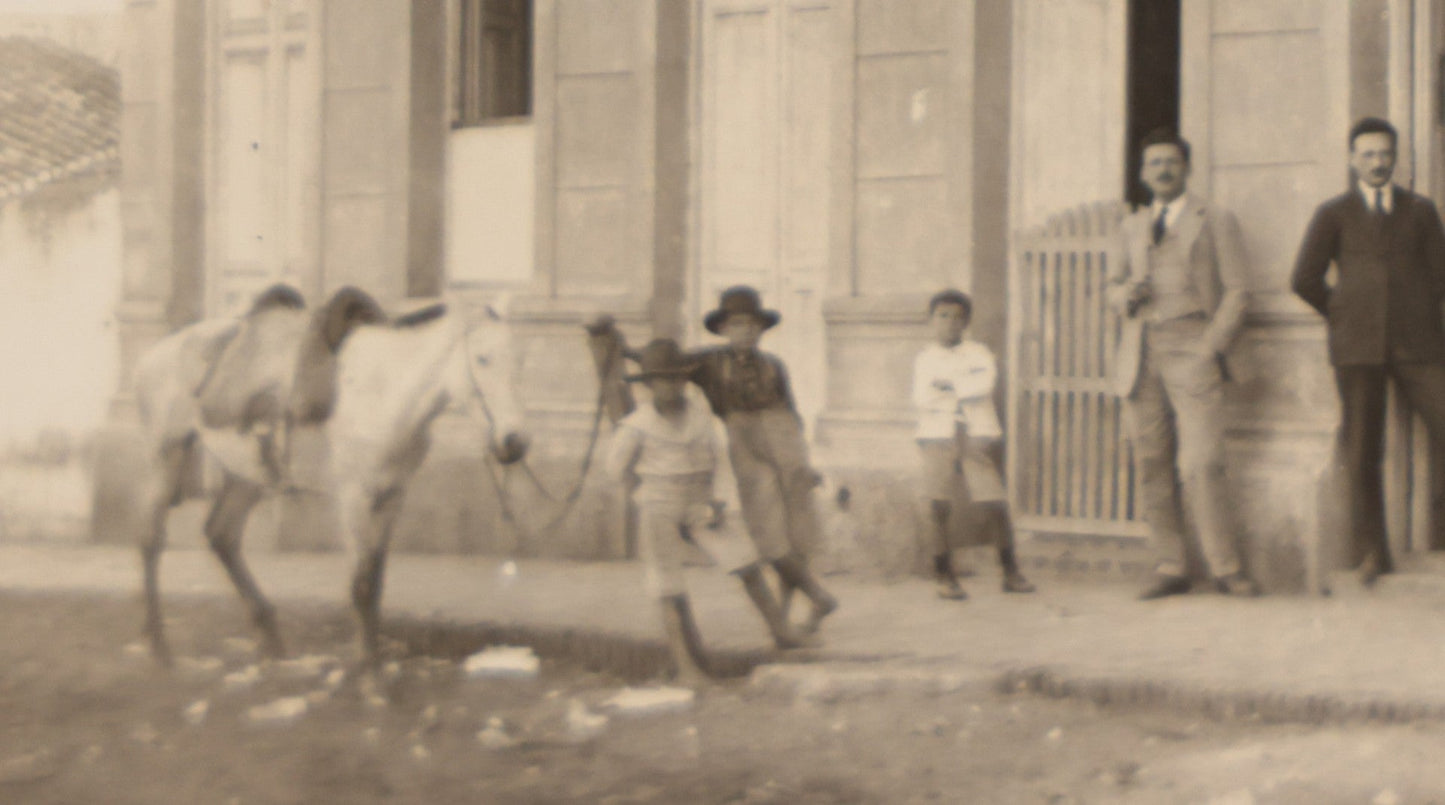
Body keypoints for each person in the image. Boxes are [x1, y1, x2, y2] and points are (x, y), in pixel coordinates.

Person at [605, 338, 815, 686]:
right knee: (668, 584)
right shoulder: (637, 425)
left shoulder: (702, 420)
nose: (670, 387)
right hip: (659, 501)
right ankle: (687, 667)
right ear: (648, 385)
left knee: (746, 562)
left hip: (701, 501)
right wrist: (642, 497)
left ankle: (783, 632)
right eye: (661, 380)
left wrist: (717, 503)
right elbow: (615, 470)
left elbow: (723, 466)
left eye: (677, 380)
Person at [1291, 116, 1445, 586]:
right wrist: (1343, 313)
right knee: (1362, 449)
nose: (1378, 163)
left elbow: (1441, 275)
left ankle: (1439, 539)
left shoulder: (1420, 211)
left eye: (1385, 154)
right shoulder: (1332, 213)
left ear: (1396, 158)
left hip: (1417, 344)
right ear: (1352, 159)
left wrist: (1417, 310)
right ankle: (1371, 554)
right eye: (1369, 154)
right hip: (1357, 348)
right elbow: (1303, 279)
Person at [1106, 128, 1257, 599]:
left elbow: (1238, 290)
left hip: (1193, 346)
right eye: (1154, 163)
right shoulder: (1131, 226)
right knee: (1152, 461)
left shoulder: (1215, 218)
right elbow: (1110, 285)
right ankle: (1170, 564)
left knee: (1202, 462)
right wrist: (1125, 296)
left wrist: (1210, 347)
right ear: (1142, 173)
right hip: (1141, 351)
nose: (1163, 170)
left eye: (1172, 162)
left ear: (1187, 168)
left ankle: (1225, 568)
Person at [912, 289, 1035, 599]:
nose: (950, 323)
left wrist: (948, 385)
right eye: (943, 316)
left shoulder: (979, 353)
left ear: (966, 322)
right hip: (937, 434)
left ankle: (1010, 571)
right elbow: (921, 397)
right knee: (937, 503)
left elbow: (983, 385)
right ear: (931, 321)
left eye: (957, 318)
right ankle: (944, 575)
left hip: (975, 434)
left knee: (993, 501)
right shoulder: (925, 359)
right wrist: (960, 384)